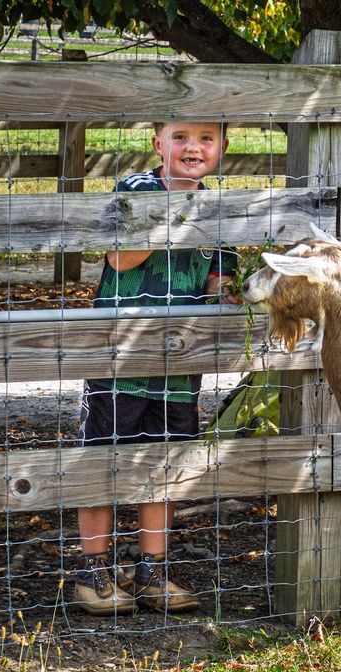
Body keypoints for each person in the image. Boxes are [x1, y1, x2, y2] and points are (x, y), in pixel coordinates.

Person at [74, 121, 239, 615]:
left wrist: (225, 292)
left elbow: (217, 275)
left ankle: (150, 569)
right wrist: (174, 219)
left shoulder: (220, 209)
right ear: (158, 145)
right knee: (101, 461)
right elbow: (120, 259)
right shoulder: (137, 190)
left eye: (206, 138)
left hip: (179, 362)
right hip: (119, 356)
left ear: (223, 148)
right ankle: (93, 571)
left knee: (164, 465)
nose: (193, 147)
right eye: (181, 136)